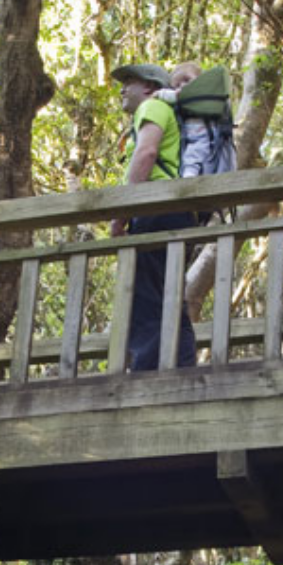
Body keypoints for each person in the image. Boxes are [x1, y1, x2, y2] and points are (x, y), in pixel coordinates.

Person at [110, 63, 198, 370]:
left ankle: (147, 374)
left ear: (148, 86)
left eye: (129, 82)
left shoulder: (152, 107)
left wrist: (122, 214)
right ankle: (183, 368)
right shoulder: (168, 111)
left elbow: (146, 153)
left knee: (146, 297)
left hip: (155, 208)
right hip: (177, 212)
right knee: (167, 293)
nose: (122, 89)